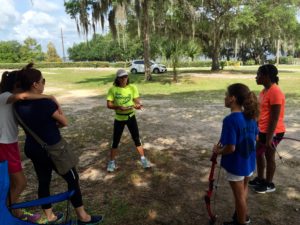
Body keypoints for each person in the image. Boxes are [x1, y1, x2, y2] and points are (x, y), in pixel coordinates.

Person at [14, 63, 103, 225]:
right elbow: (64, 122)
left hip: (33, 148)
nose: (43, 84)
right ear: (35, 84)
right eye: (43, 81)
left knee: (43, 180)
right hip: (54, 148)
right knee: (72, 179)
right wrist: (55, 103)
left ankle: (50, 217)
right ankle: (83, 217)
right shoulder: (46, 103)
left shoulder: (17, 104)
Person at [0, 70, 61, 222]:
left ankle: (15, 212)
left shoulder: (9, 99)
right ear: (16, 85)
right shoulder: (4, 97)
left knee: (11, 183)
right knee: (21, 183)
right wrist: (49, 97)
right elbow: (24, 96)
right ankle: (4, 210)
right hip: (4, 145)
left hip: (9, 143)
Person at [213, 83, 259, 225]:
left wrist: (218, 151)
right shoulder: (250, 116)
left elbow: (230, 148)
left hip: (237, 164)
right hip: (249, 162)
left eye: (226, 95)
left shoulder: (230, 120)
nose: (225, 98)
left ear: (232, 98)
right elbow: (256, 138)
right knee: (243, 190)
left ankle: (241, 221)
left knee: (239, 197)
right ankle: (242, 217)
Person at [249, 64, 285, 193]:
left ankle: (269, 184)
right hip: (262, 130)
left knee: (269, 156)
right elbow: (261, 113)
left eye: (258, 74)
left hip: (274, 131)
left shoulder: (275, 92)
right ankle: (260, 178)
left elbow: (274, 118)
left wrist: (270, 137)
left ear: (266, 76)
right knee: (258, 154)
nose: (256, 77)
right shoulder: (264, 91)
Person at [106, 69, 151, 172]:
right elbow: (109, 105)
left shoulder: (132, 87)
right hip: (119, 118)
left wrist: (138, 105)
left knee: (136, 138)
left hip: (131, 117)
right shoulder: (113, 89)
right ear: (117, 78)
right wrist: (118, 107)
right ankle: (112, 162)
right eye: (121, 77)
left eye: (125, 76)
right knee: (115, 141)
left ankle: (143, 159)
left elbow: (137, 101)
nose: (124, 79)